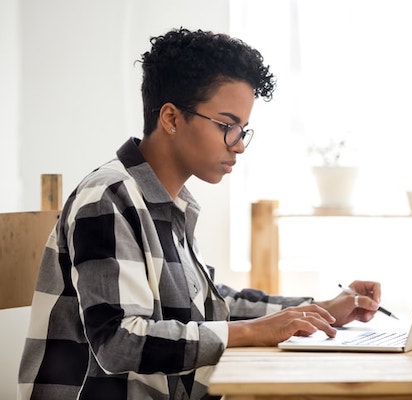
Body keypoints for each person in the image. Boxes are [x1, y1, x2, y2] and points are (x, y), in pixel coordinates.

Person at [18, 28, 383, 400]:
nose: (239, 145)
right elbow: (118, 341)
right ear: (172, 118)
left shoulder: (170, 202)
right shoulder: (108, 197)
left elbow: (210, 306)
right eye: (227, 126)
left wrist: (317, 309)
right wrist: (253, 331)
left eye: (243, 129)